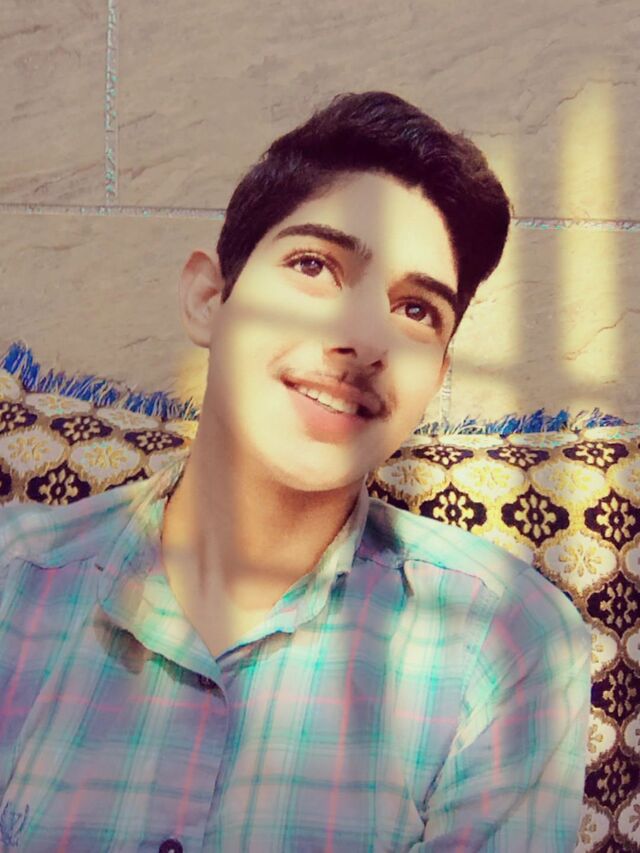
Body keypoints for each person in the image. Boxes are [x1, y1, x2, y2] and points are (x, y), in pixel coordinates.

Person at [0, 91, 591, 851]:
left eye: (417, 310)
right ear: (209, 299)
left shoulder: (507, 641)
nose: (363, 337)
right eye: (314, 265)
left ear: (438, 376)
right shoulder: (15, 581)